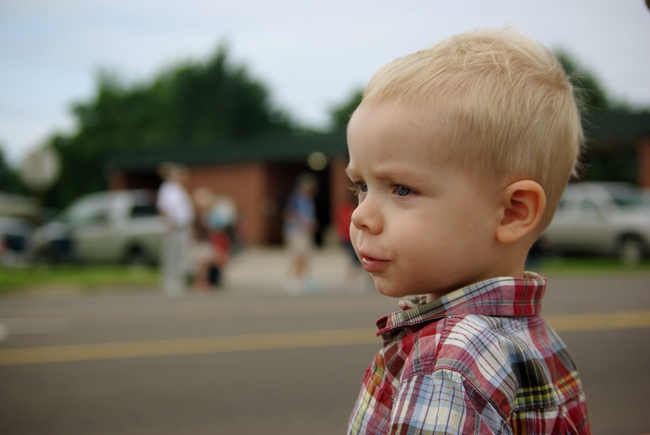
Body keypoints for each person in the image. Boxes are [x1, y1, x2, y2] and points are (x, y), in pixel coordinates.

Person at [345, 29, 590, 434]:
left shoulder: (445, 363)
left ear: (512, 212)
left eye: (402, 189)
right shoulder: (534, 337)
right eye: (361, 186)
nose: (360, 216)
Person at [156, 163, 195, 297]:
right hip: (174, 227)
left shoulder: (178, 189)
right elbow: (164, 208)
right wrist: (167, 225)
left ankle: (178, 280)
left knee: (180, 255)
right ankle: (169, 282)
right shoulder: (167, 188)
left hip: (183, 227)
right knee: (171, 255)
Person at [282, 172, 319, 294]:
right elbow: (288, 214)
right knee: (297, 254)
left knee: (306, 256)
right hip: (295, 231)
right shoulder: (294, 198)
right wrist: (302, 221)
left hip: (305, 232)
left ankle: (303, 279)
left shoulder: (308, 199)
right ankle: (293, 279)